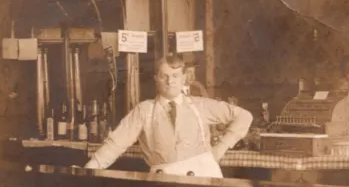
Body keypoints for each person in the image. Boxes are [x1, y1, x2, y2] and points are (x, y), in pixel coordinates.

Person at [85, 54, 253, 178]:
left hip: (203, 179)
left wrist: (221, 147)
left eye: (175, 76)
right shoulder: (144, 110)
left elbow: (244, 116)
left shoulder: (200, 105)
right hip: (162, 182)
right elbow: (115, 144)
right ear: (155, 79)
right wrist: (90, 169)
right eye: (164, 76)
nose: (170, 81)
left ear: (184, 79)